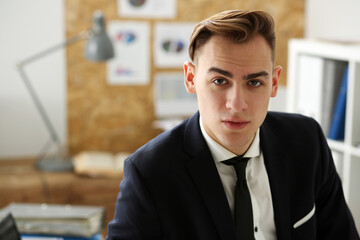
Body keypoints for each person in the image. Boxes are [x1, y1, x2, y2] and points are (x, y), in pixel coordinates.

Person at [106, 10, 359, 240]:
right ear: (191, 78)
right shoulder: (149, 173)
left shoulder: (307, 142)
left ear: (273, 83)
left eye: (254, 83)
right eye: (220, 81)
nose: (237, 105)